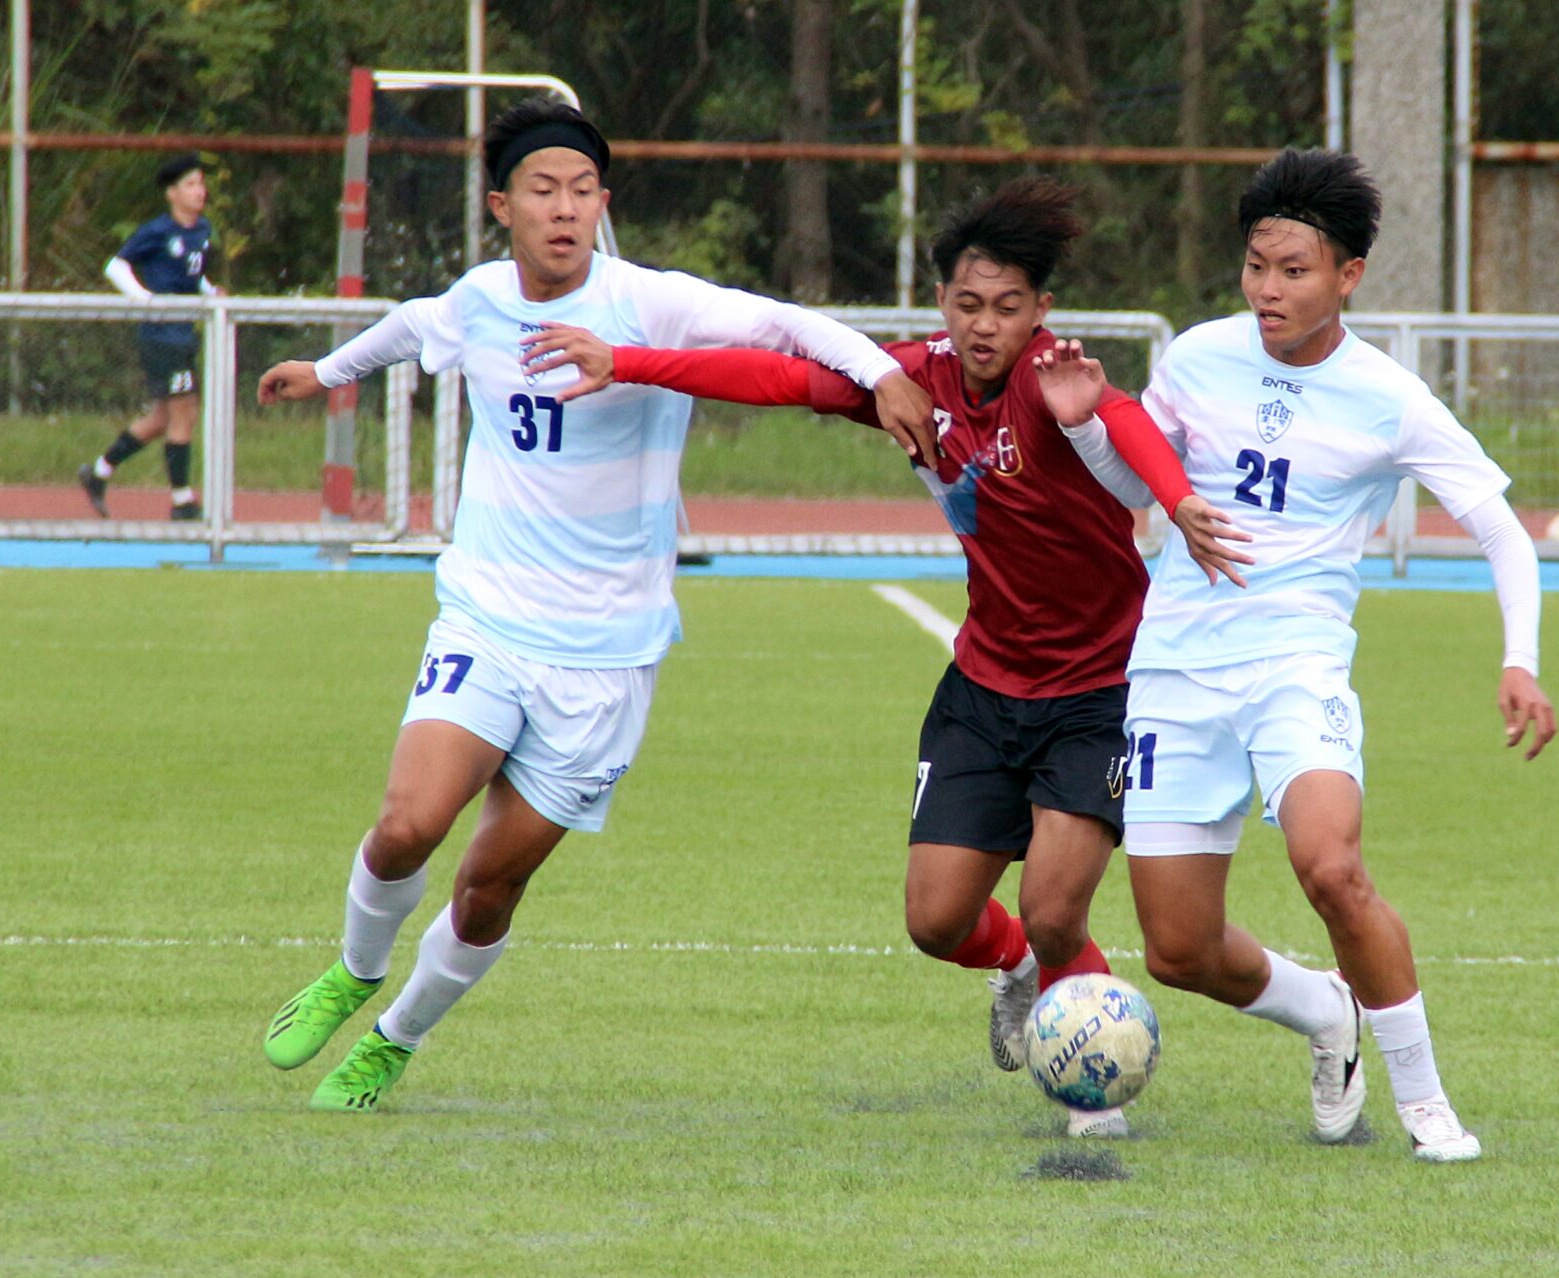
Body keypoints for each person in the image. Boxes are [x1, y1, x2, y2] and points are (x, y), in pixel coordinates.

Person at [522, 178, 1248, 1138]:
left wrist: (1179, 497)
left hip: (1099, 692)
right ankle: (1021, 970)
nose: (986, 325)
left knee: (1058, 909)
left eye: (1009, 307)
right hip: (983, 686)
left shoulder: (1053, 380)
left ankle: (1088, 1076)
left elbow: (1121, 420)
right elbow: (781, 377)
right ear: (942, 303)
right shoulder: (916, 382)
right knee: (936, 921)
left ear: (1041, 312)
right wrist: (631, 361)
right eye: (967, 304)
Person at [251, 96, 936, 1112]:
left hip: (607, 658)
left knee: (489, 886)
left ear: (602, 204)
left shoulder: (648, 305)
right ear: (502, 206)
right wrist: (325, 369)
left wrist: (882, 373)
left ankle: (395, 1036)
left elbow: (787, 325)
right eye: (543, 190)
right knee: (407, 826)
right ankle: (354, 970)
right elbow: (413, 327)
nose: (564, 209)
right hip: (486, 615)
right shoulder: (480, 300)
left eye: (581, 191)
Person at [1066, 148, 1558, 1161]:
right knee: (1177, 947)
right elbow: (1136, 490)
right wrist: (1084, 429)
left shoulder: (1389, 397)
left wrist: (1521, 658)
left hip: (1295, 665)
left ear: (1349, 276)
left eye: (1295, 270)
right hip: (1174, 669)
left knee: (1330, 864)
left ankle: (1426, 1103)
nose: (1270, 289)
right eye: (1257, 265)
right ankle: (1326, 1014)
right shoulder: (1199, 357)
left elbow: (1504, 531)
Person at [79, 152, 218, 521]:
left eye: (200, 183)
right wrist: (145, 300)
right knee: (184, 412)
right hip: (162, 335)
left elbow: (193, 275)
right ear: (172, 193)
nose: (198, 191)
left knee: (161, 418)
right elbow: (116, 265)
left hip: (185, 333)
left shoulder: (202, 231)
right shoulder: (157, 231)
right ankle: (182, 500)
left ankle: (98, 472)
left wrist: (209, 292)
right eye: (190, 184)